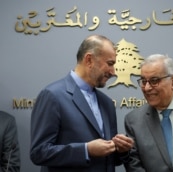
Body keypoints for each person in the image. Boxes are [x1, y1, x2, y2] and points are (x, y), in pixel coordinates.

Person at [30, 34, 134, 172]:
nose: (113, 72)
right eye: (110, 63)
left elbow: (111, 160)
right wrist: (86, 150)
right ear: (89, 60)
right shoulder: (52, 95)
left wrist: (121, 150)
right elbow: (39, 153)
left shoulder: (107, 103)